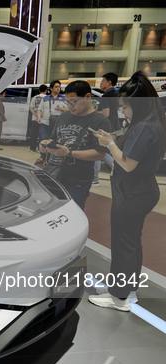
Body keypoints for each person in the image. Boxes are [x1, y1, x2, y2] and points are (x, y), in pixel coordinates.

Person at [88, 72, 165, 312]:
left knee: (123, 244)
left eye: (126, 107)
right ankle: (128, 290)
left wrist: (108, 144)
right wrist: (112, 140)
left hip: (132, 191)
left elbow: (128, 164)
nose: (124, 112)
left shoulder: (143, 126)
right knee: (131, 243)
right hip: (140, 190)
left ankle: (118, 297)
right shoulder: (154, 122)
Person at [39, 80, 111, 210]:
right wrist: (46, 144)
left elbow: (100, 153)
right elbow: (53, 138)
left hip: (77, 181)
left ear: (88, 97)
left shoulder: (100, 122)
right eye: (67, 102)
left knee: (72, 215)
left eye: (74, 102)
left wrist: (69, 153)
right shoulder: (64, 116)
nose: (70, 105)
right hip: (54, 174)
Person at [93, 72, 119, 186]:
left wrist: (94, 112)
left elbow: (105, 113)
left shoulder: (106, 96)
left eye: (102, 81)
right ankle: (119, 168)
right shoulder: (116, 95)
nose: (101, 83)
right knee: (106, 152)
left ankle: (95, 180)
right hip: (113, 126)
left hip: (104, 127)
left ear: (109, 82)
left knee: (99, 152)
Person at [36, 80, 67, 166]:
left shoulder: (63, 98)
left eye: (59, 87)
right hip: (45, 123)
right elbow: (39, 109)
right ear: (51, 88)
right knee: (43, 140)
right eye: (56, 87)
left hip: (57, 125)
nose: (58, 88)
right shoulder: (45, 98)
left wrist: (62, 109)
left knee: (53, 143)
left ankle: (50, 159)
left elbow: (70, 110)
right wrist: (38, 116)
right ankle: (42, 156)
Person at [28, 84, 47, 153]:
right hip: (43, 119)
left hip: (34, 118)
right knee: (41, 134)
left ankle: (32, 148)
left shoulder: (34, 97)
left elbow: (31, 108)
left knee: (33, 134)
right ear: (46, 90)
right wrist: (40, 115)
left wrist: (36, 114)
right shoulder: (47, 98)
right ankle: (40, 149)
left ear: (39, 91)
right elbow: (46, 109)